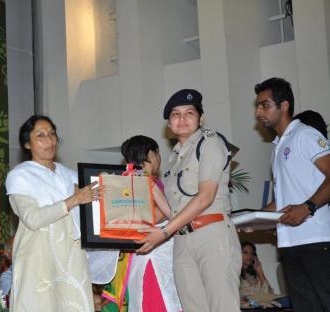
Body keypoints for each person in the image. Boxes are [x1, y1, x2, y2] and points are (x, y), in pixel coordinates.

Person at [136, 89, 242, 312]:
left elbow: (205, 197)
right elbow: (170, 210)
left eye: (189, 113)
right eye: (175, 114)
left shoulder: (210, 144)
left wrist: (163, 233)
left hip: (211, 235)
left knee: (222, 307)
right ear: (169, 124)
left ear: (201, 118)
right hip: (182, 241)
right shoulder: (175, 158)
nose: (182, 119)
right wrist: (126, 231)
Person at [5, 115, 100, 311]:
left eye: (52, 134)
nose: (49, 140)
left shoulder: (72, 175)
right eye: (40, 135)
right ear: (27, 144)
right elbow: (32, 219)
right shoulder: (20, 176)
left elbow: (91, 218)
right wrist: (75, 200)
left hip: (72, 256)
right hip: (38, 257)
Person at [254, 77, 330, 312]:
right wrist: (254, 220)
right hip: (288, 243)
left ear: (284, 106)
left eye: (264, 105)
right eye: (257, 106)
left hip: (315, 239)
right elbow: (283, 201)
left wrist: (307, 208)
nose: (258, 112)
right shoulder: (277, 146)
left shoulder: (304, 135)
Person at [121, 135, 181, 312]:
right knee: (160, 299)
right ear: (152, 154)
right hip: (155, 250)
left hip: (137, 251)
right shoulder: (150, 182)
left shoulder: (124, 181)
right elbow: (167, 213)